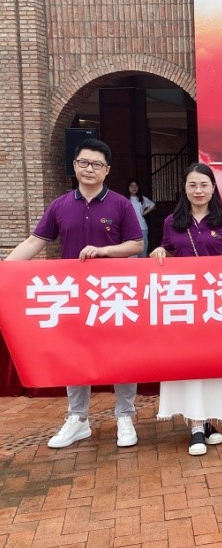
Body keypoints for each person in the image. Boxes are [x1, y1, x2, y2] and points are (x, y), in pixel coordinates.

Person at [4, 138, 143, 448]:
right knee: (75, 353)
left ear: (107, 170)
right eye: (84, 162)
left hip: (113, 294)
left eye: (96, 164)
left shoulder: (120, 204)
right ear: (75, 166)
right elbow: (34, 242)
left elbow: (136, 244)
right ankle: (78, 418)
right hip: (73, 295)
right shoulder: (60, 205)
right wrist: (4, 269)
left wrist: (103, 251)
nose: (89, 169)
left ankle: (125, 416)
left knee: (120, 354)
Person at [150, 162, 222, 456]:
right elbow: (167, 250)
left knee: (214, 362)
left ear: (213, 188)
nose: (198, 190)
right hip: (185, 305)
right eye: (192, 185)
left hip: (217, 304)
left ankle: (207, 421)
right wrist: (160, 251)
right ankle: (195, 425)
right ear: (184, 188)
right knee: (190, 362)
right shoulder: (172, 221)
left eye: (204, 185)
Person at [127, 179, 155, 257]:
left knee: (143, 250)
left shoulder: (142, 199)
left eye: (136, 186)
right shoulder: (125, 200)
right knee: (132, 253)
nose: (134, 188)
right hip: (130, 229)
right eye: (131, 186)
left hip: (142, 227)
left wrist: (143, 213)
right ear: (128, 187)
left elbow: (152, 205)